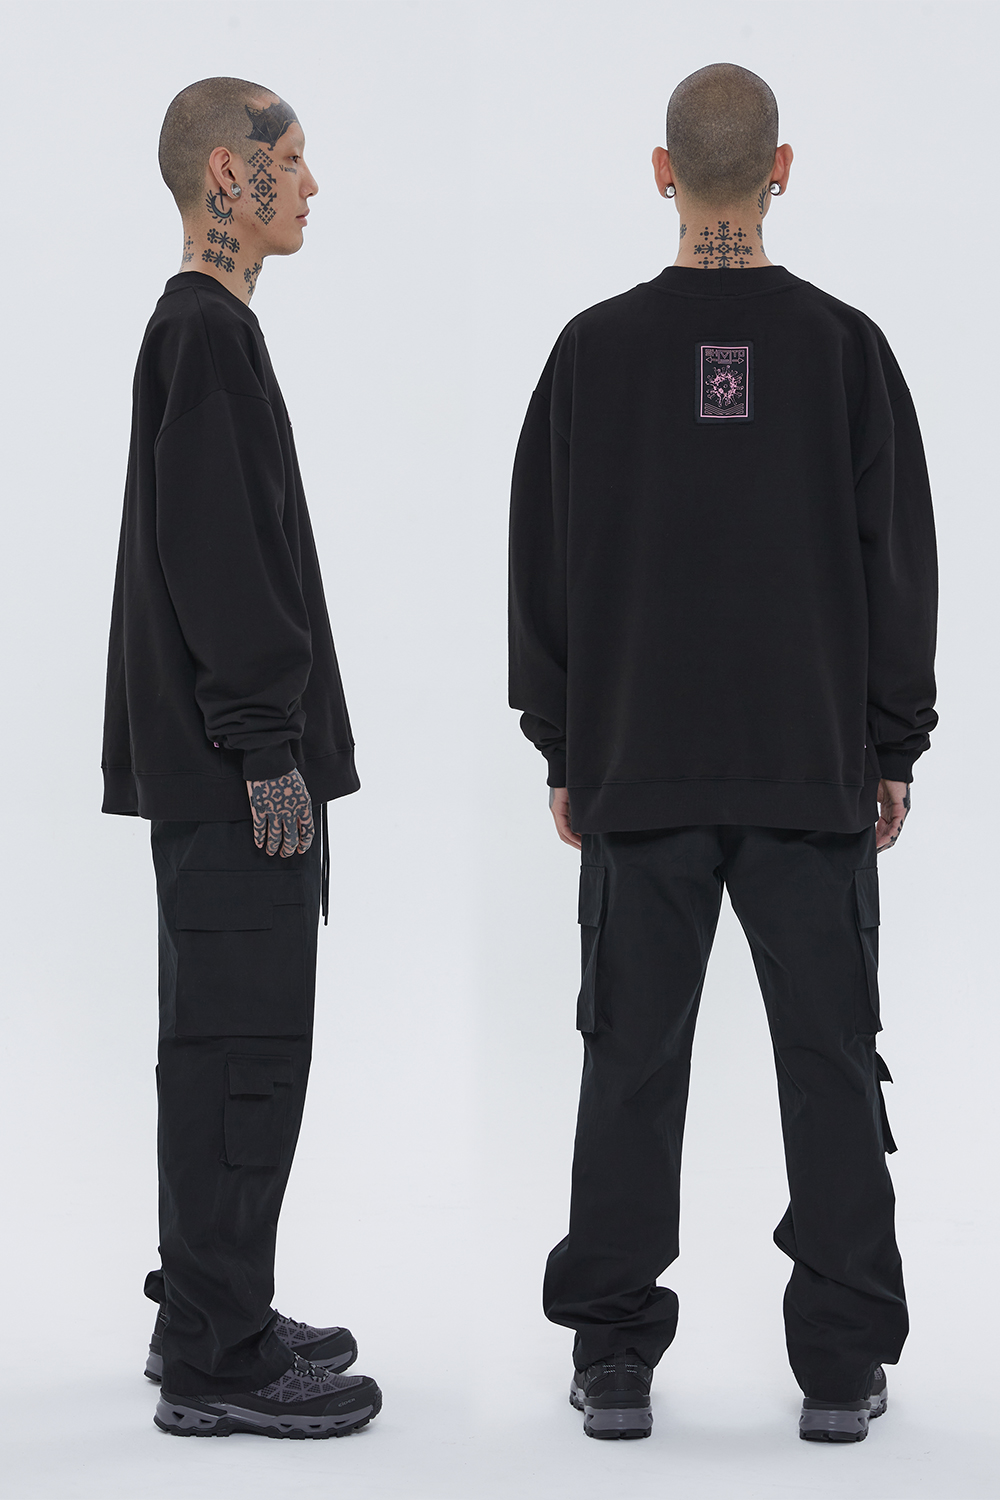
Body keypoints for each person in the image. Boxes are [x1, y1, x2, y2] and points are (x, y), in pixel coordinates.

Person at [508, 62, 937, 1445]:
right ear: (782, 170)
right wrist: (893, 743)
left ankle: (613, 1358)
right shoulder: (846, 349)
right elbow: (899, 563)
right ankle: (841, 1368)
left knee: (629, 1066)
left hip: (640, 766)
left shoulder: (592, 352)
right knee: (831, 1064)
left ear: (661, 172)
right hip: (809, 766)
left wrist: (564, 744)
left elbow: (540, 565)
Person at [102, 76, 381, 1439]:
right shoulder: (204, 335)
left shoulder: (203, 334)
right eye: (293, 158)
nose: (311, 184)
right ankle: (219, 1359)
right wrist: (270, 749)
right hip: (236, 783)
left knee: (218, 1051)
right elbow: (217, 557)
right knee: (242, 1061)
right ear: (231, 175)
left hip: (219, 779)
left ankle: (208, 1314)